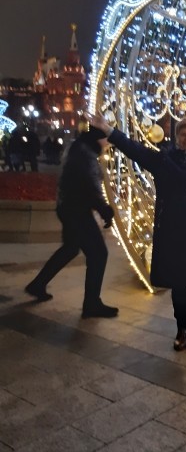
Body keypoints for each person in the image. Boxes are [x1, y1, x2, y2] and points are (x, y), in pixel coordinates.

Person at [86, 111, 186, 351]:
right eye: (184, 134)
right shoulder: (164, 161)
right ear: (177, 137)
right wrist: (108, 130)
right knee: (179, 284)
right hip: (174, 233)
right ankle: (182, 329)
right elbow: (133, 148)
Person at [25, 126, 117, 318]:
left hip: (67, 207)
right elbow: (90, 186)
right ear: (98, 139)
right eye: (107, 140)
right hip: (77, 211)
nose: (109, 144)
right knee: (99, 253)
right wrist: (105, 210)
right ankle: (91, 304)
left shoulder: (79, 149)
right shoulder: (87, 155)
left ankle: (38, 284)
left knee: (70, 248)